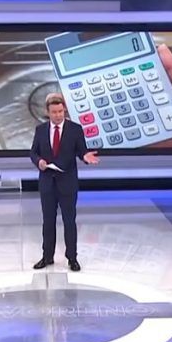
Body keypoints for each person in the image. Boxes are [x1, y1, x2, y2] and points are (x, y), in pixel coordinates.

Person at [30, 93, 100, 271]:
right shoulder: (40, 130)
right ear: (48, 112)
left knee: (69, 221)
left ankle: (72, 258)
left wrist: (85, 156)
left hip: (67, 183)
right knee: (48, 222)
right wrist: (39, 161)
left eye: (61, 111)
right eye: (54, 112)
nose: (58, 115)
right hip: (47, 183)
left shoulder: (75, 129)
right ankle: (47, 257)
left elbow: (81, 151)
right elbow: (33, 152)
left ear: (64, 111)